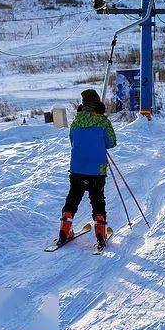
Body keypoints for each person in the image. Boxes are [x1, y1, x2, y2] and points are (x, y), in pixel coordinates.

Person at [59, 89, 117, 249]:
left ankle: (65, 229)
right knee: (97, 199)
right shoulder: (103, 121)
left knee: (73, 197)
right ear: (97, 103)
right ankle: (100, 232)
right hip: (97, 169)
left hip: (77, 167)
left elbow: (72, 140)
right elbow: (111, 142)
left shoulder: (76, 121)